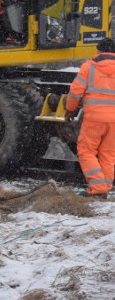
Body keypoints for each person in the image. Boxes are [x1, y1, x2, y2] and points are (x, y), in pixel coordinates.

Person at [65, 37, 115, 198]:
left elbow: (75, 92)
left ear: (99, 50)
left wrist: (70, 110)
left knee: (86, 151)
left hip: (94, 117)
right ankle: (105, 186)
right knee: (108, 154)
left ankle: (98, 187)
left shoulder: (89, 67)